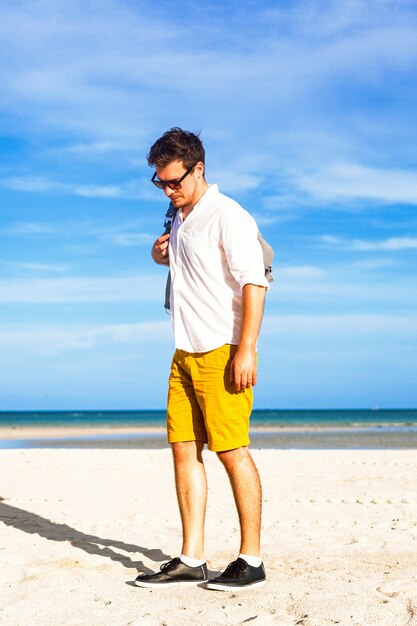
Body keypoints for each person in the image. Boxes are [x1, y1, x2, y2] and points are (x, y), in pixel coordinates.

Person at [135, 128, 268, 591]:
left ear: (199, 168)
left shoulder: (228, 215)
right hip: (184, 352)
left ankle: (251, 560)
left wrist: (246, 348)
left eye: (175, 181)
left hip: (222, 349)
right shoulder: (178, 216)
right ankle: (192, 558)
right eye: (160, 183)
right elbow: (183, 267)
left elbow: (254, 282)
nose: (169, 190)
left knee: (232, 452)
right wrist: (158, 256)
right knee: (184, 451)